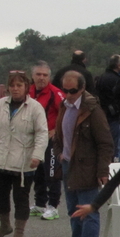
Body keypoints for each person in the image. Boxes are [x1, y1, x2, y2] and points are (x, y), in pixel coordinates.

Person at [0, 71, 48, 237]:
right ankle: (4, 225)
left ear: (26, 87)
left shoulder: (35, 107)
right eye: (12, 86)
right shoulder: (0, 104)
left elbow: (42, 134)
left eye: (19, 85)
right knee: (0, 195)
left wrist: (37, 156)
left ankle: (19, 231)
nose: (15, 89)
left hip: (24, 162)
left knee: (21, 198)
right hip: (2, 158)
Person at [55, 71, 114, 237]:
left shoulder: (92, 110)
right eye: (65, 90)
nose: (68, 94)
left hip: (87, 166)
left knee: (88, 211)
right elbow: (59, 133)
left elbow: (105, 143)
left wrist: (102, 171)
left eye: (72, 91)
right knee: (73, 210)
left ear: (82, 89)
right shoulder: (64, 105)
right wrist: (59, 153)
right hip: (68, 163)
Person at [28, 61, 66, 221]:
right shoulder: (28, 92)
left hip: (51, 139)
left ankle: (53, 206)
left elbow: (67, 114)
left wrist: (55, 131)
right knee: (38, 172)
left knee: (52, 172)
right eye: (38, 74)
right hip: (33, 139)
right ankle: (39, 203)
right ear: (33, 76)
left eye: (45, 75)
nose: (41, 78)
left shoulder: (56, 94)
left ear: (49, 77)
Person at [97, 54, 120, 145]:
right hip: (114, 115)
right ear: (118, 65)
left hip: (102, 113)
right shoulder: (117, 79)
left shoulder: (101, 77)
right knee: (116, 142)